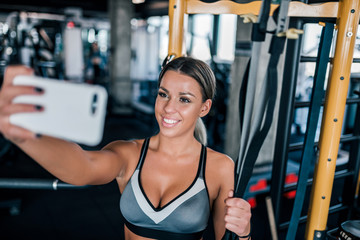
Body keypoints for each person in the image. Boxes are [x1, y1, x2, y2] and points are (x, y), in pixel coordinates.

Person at [0, 57, 251, 240]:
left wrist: (244, 234)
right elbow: (83, 167)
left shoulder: (218, 166)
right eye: (163, 94)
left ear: (204, 108)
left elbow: (227, 238)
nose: (168, 108)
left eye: (184, 99)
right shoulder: (130, 154)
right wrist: (26, 137)